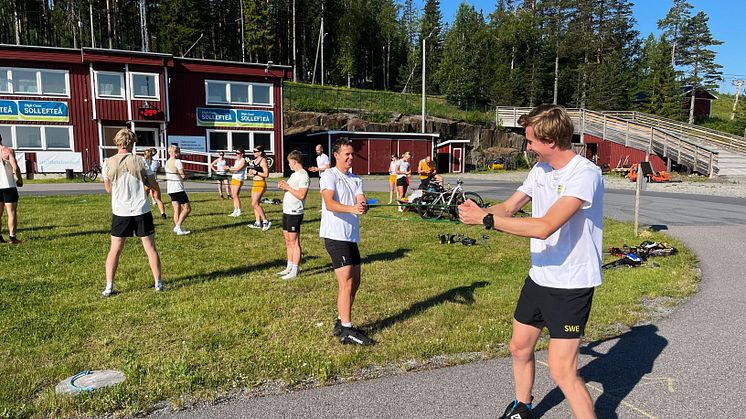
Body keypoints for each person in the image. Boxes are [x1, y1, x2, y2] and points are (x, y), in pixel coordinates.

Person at [458, 104, 604, 419]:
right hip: (539, 277)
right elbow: (508, 208)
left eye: (530, 141)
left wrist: (485, 221)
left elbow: (544, 226)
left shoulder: (585, 174)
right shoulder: (539, 170)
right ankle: (522, 407)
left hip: (570, 285)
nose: (527, 147)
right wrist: (473, 211)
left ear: (551, 141)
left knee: (563, 371)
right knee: (519, 348)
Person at [319, 139, 373, 346]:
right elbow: (330, 203)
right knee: (346, 282)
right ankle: (347, 330)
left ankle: (341, 320)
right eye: (347, 154)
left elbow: (360, 198)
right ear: (336, 155)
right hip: (335, 235)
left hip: (351, 235)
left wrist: (363, 205)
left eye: (352, 154)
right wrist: (352, 209)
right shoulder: (329, 176)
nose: (351, 158)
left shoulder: (356, 178)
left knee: (355, 282)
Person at [101, 129, 163, 296]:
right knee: (150, 248)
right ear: (132, 143)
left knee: (115, 249)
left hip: (120, 211)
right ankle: (158, 283)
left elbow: (108, 189)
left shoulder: (107, 162)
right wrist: (147, 183)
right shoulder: (141, 161)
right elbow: (153, 185)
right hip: (141, 209)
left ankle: (109, 286)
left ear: (117, 142)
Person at [276, 150, 309, 280]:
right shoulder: (294, 175)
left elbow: (301, 194)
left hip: (295, 212)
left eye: (289, 162)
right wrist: (284, 185)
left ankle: (295, 269)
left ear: (295, 162)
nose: (289, 165)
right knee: (288, 241)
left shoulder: (303, 175)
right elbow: (291, 188)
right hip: (287, 211)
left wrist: (287, 187)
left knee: (294, 242)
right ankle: (289, 266)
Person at [0, 133, 23, 244]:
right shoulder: (8, 151)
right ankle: (12, 238)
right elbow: (15, 167)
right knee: (11, 212)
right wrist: (19, 179)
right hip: (8, 186)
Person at [165, 145, 191, 235]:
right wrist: (191, 175)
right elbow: (183, 175)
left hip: (170, 189)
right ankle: (178, 226)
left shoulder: (167, 162)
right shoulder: (178, 161)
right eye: (178, 152)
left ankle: (178, 229)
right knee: (187, 209)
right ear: (174, 153)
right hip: (178, 189)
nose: (179, 153)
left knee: (177, 210)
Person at [247, 145, 271, 231]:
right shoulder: (254, 160)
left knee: (254, 203)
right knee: (255, 204)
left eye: (255, 151)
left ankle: (265, 221)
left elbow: (266, 174)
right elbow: (254, 171)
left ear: (260, 152)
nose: (253, 153)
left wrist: (256, 172)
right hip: (255, 183)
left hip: (260, 183)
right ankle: (257, 222)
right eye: (253, 151)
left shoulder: (263, 160)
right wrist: (251, 172)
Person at [142, 148, 167, 219]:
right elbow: (158, 170)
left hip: (146, 182)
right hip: (154, 182)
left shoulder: (142, 162)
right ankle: (163, 213)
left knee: (144, 199)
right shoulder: (156, 162)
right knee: (158, 199)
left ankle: (144, 214)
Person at [227, 148, 247, 217]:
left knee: (235, 195)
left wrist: (229, 168)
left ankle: (239, 210)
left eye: (238, 153)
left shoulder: (243, 160)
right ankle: (235, 210)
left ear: (242, 154)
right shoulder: (236, 161)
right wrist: (228, 169)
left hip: (239, 179)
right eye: (236, 153)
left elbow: (238, 169)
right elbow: (234, 171)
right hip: (234, 178)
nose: (237, 154)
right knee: (233, 195)